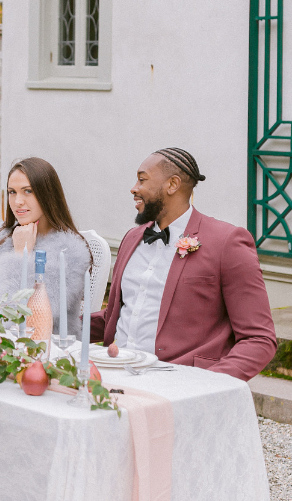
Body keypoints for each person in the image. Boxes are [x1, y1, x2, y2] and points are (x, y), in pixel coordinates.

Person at [91, 147, 277, 381]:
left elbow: (259, 339)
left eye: (142, 179)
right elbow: (116, 317)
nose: (134, 188)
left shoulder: (227, 242)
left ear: (172, 184)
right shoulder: (131, 238)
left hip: (181, 386)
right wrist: (51, 323)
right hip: (114, 376)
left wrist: (207, 385)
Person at [0, 157, 91, 336]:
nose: (18, 201)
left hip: (48, 353)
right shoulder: (2, 236)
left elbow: (15, 323)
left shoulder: (70, 251)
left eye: (27, 191)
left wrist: (20, 255)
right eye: (12, 192)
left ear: (47, 195)